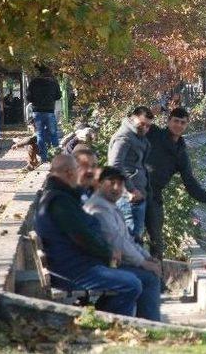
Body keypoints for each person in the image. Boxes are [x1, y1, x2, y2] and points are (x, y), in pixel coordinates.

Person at [34, 155, 143, 317]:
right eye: (78, 170)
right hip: (73, 271)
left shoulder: (57, 196)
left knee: (131, 278)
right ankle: (111, 324)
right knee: (131, 284)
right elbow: (82, 237)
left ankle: (100, 317)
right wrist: (109, 253)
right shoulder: (60, 202)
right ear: (69, 172)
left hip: (68, 265)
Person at [145, 107, 206, 260]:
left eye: (183, 123)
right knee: (130, 235)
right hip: (134, 191)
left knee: (156, 242)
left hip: (154, 197)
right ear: (168, 121)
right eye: (176, 121)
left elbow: (191, 184)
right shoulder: (153, 133)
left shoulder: (181, 154)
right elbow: (134, 122)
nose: (179, 125)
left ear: (186, 125)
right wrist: (150, 112)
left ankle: (155, 278)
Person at [84, 167, 161, 321]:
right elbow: (117, 242)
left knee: (148, 273)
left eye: (120, 184)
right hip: (100, 267)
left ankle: (143, 323)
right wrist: (143, 263)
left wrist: (146, 257)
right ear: (99, 184)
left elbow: (128, 240)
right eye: (111, 183)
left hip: (110, 263)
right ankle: (151, 325)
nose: (116, 188)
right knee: (149, 278)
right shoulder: (98, 208)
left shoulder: (109, 206)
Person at [108, 106, 153, 243]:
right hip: (128, 198)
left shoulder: (137, 137)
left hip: (138, 195)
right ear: (132, 118)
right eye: (142, 124)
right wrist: (130, 189)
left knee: (136, 239)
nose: (145, 128)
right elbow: (114, 165)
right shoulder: (124, 137)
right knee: (129, 241)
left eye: (148, 126)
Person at [26, 64, 62, 163]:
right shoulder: (53, 82)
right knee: (54, 134)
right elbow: (58, 96)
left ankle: (44, 157)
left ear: (39, 72)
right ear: (49, 72)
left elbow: (29, 97)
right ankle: (56, 156)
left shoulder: (33, 83)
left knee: (40, 134)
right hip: (49, 111)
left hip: (37, 112)